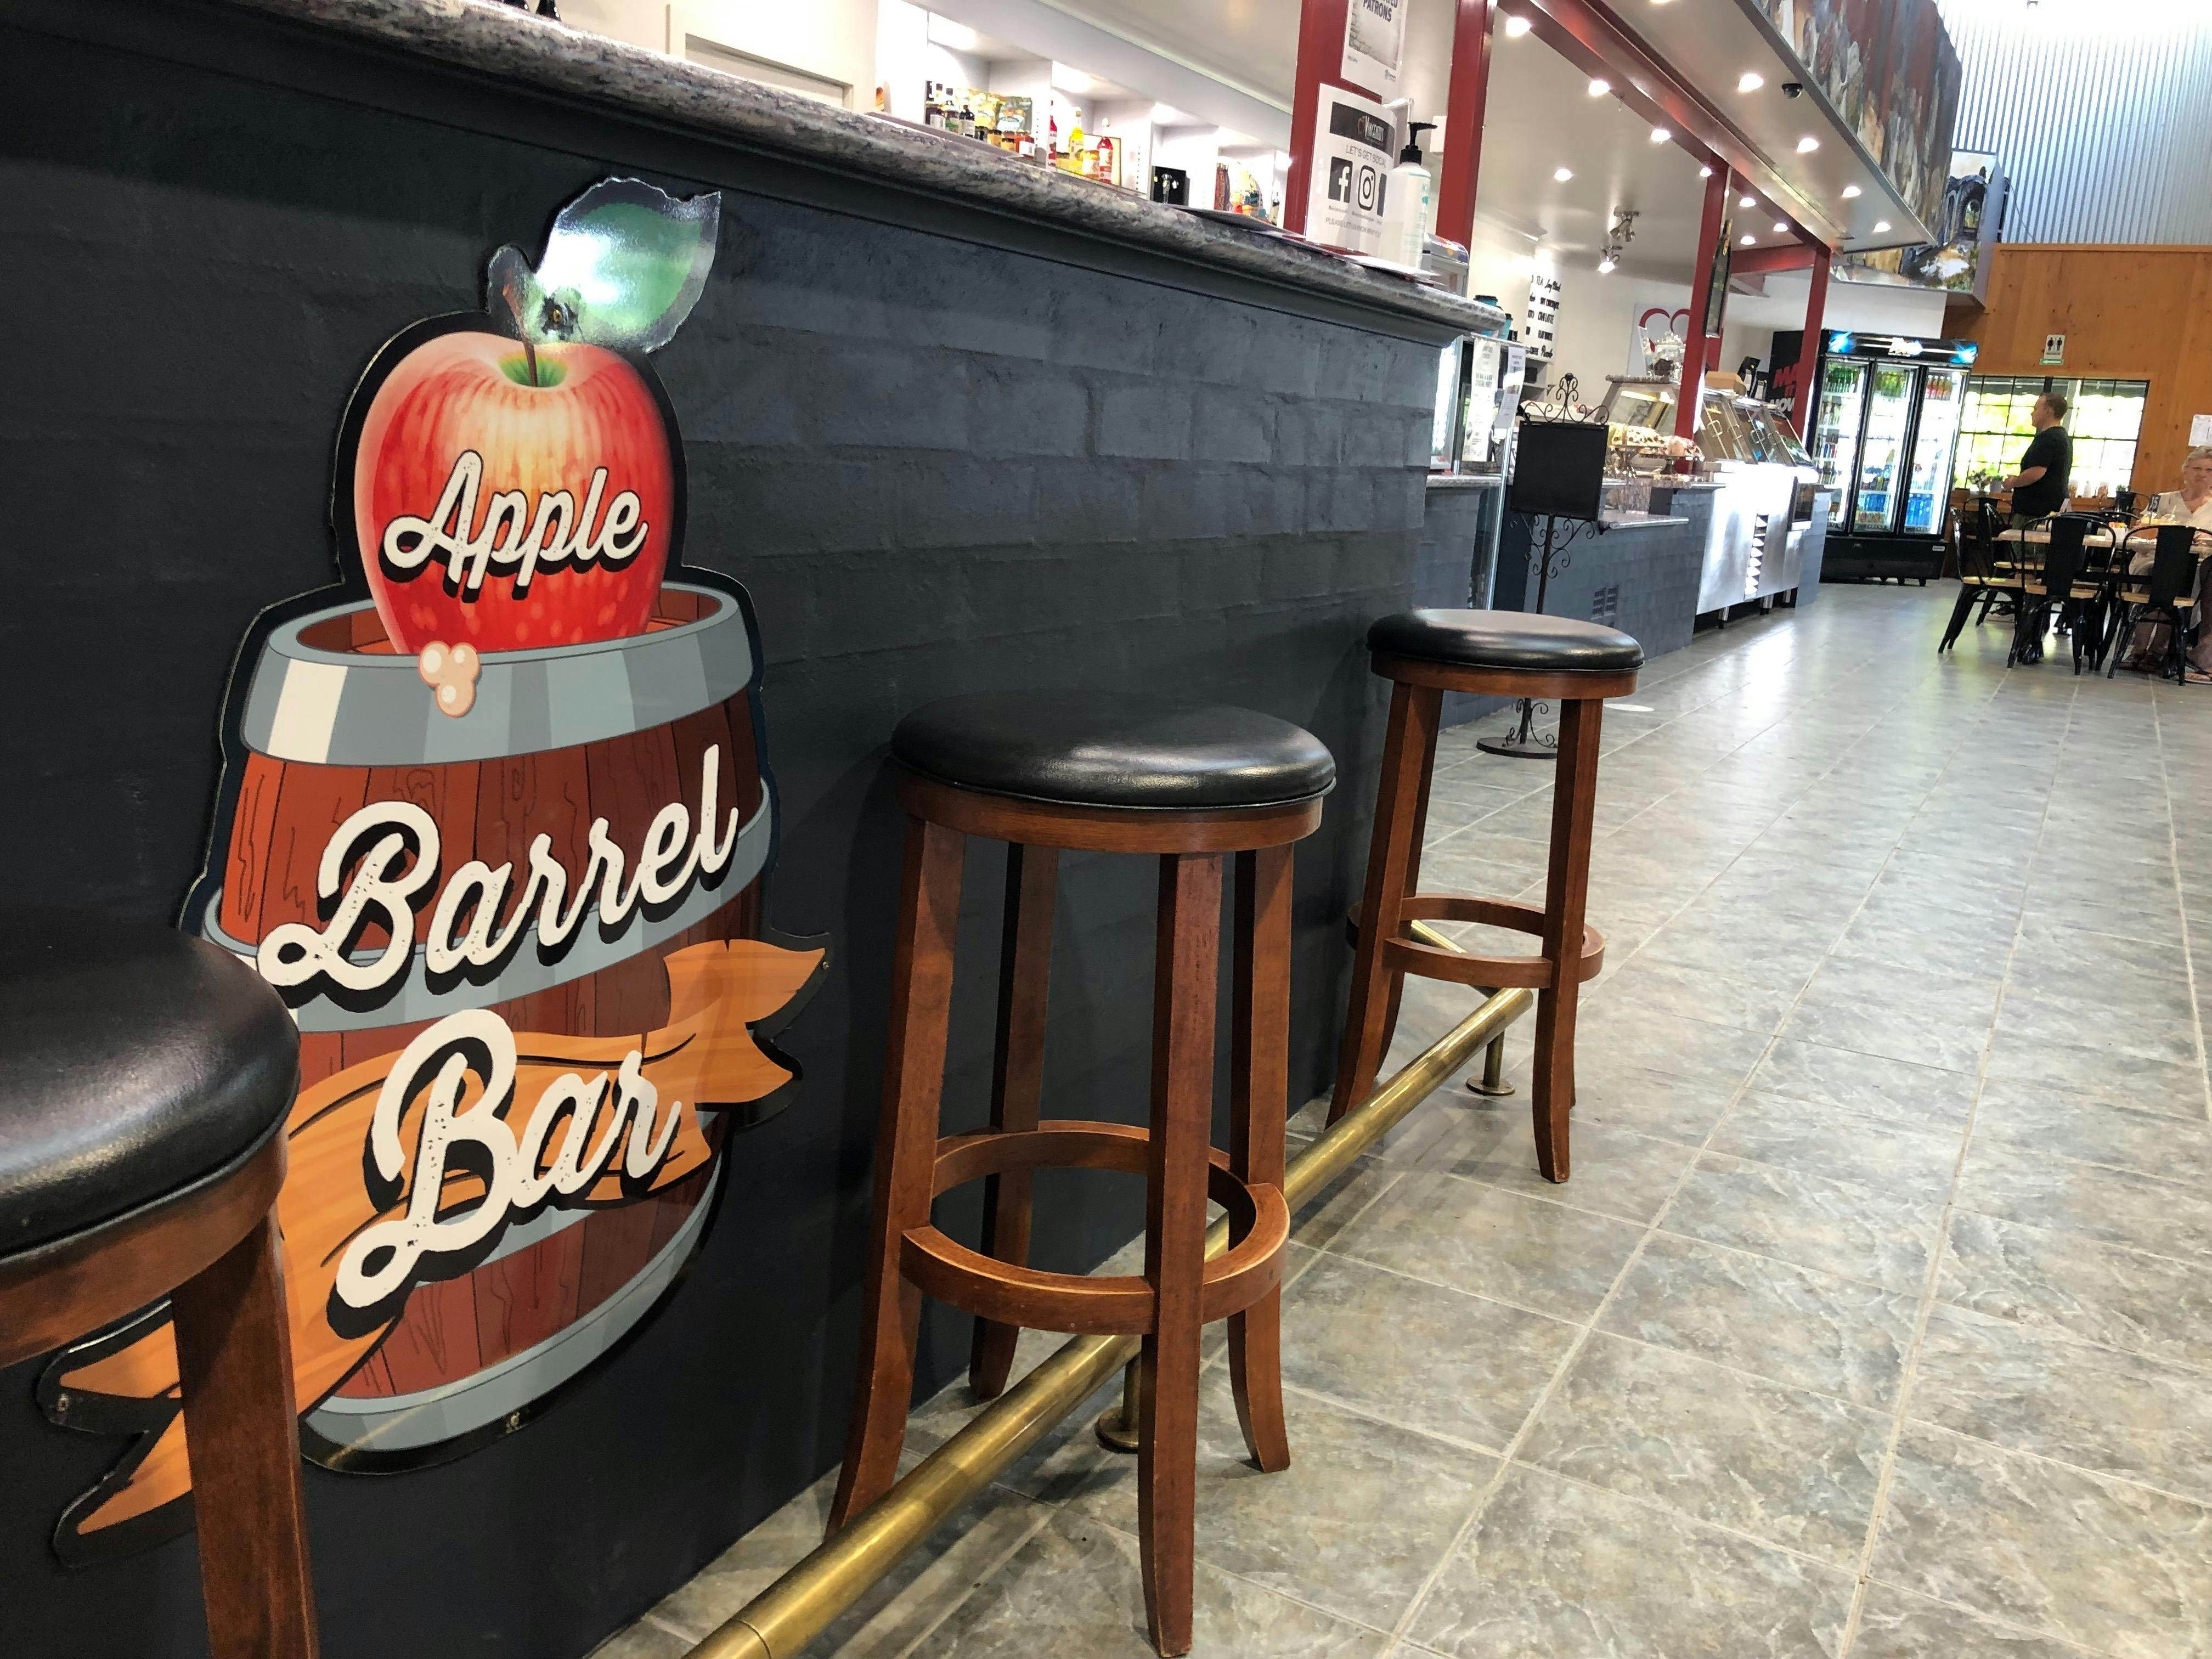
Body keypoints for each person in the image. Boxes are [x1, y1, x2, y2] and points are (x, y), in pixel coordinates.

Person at [2120, 447, 2212, 679]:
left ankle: (2156, 651)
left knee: (2181, 582)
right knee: (2159, 577)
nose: (2202, 474)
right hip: (2153, 559)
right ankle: (2138, 649)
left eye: (2209, 470)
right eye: (2197, 469)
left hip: (2195, 567)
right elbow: (2141, 531)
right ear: (2185, 471)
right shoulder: (2163, 500)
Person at [2001, 392, 2072, 527]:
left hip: (2035, 514)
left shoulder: (2047, 438)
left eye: (2036, 409)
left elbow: (2036, 473)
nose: (2032, 414)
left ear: (2049, 411)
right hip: (2051, 509)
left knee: (2026, 546)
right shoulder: (2064, 438)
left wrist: (2013, 482)